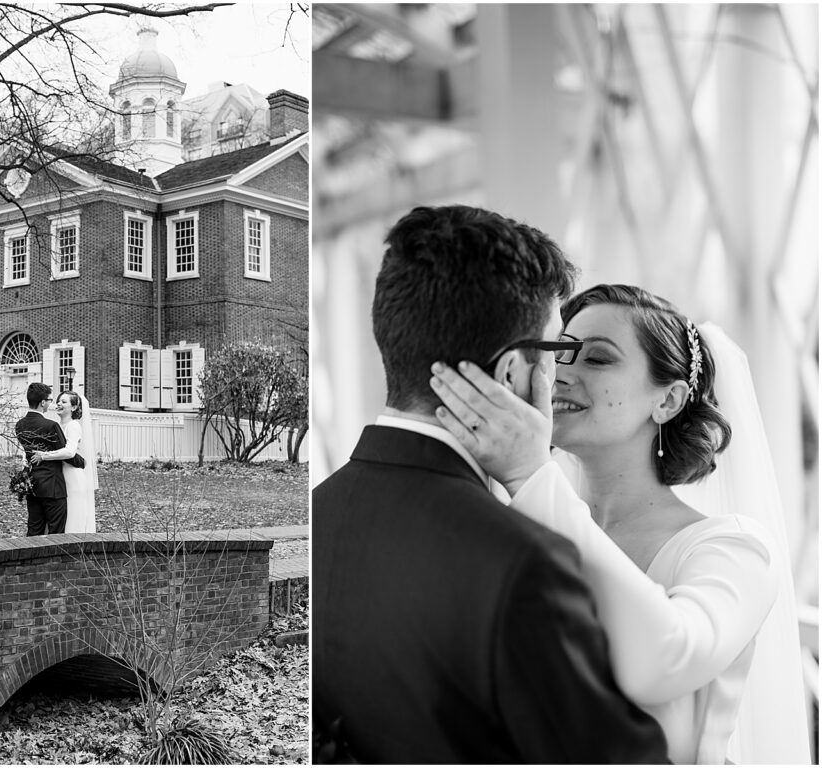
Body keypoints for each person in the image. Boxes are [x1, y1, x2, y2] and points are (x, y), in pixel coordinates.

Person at [312, 206, 670, 763]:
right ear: (510, 375)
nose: (561, 377)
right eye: (555, 353)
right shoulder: (524, 565)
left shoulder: (319, 513)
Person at [431, 284, 811, 764]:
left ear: (668, 401)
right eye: (561, 353)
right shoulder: (521, 517)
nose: (558, 375)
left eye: (596, 359)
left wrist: (530, 474)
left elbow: (660, 660)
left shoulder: (733, 551)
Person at [29, 390, 97, 534]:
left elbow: (70, 452)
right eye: (58, 401)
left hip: (71, 475)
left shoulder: (73, 426)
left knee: (71, 514)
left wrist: (44, 456)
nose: (59, 404)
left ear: (73, 408)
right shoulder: (55, 426)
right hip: (56, 475)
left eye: (64, 402)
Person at [14, 382, 68, 536]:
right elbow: (63, 452)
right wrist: (82, 461)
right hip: (53, 485)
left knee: (34, 530)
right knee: (56, 532)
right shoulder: (51, 426)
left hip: (32, 484)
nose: (51, 403)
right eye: (50, 400)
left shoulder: (20, 425)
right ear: (43, 402)